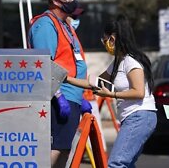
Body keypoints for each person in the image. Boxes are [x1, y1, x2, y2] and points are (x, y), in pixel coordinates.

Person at [66, 15, 157, 167]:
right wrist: (66, 79)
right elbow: (93, 83)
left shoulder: (130, 61)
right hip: (133, 117)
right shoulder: (117, 63)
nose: (103, 43)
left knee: (116, 163)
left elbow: (138, 92)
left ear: (113, 39)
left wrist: (111, 94)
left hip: (140, 116)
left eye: (104, 39)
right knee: (126, 164)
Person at [28, 0, 87, 167]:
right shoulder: (46, 25)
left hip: (72, 96)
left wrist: (80, 95)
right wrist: (59, 96)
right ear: (55, 1)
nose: (74, 1)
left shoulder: (64, 24)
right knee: (54, 149)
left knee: (64, 148)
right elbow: (44, 63)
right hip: (59, 98)